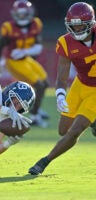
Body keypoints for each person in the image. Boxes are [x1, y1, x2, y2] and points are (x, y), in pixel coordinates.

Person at [28, 2, 96, 175]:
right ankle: (94, 122)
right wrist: (60, 94)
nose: (77, 29)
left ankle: (44, 161)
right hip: (80, 85)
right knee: (62, 130)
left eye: (81, 24)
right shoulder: (65, 42)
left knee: (75, 131)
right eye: (73, 25)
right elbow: (63, 72)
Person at [0, 0, 49, 128]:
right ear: (14, 13)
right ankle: (34, 117)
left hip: (26, 58)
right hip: (14, 61)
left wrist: (26, 51)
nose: (22, 16)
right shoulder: (8, 27)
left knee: (45, 83)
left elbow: (38, 45)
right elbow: (0, 46)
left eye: (25, 14)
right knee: (39, 86)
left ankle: (36, 108)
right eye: (20, 14)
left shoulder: (36, 23)